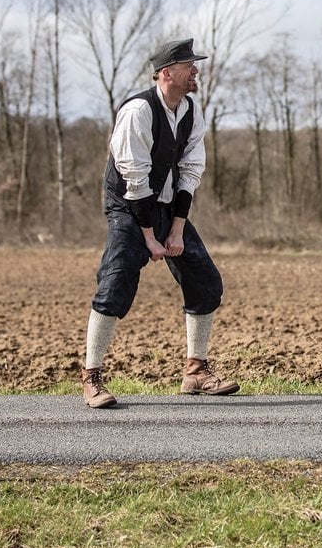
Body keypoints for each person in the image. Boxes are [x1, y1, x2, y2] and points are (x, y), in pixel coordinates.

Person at [81, 38, 239, 408]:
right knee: (116, 281)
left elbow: (190, 170)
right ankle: (91, 376)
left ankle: (196, 371)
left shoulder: (190, 110)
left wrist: (178, 228)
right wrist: (150, 238)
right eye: (189, 66)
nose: (196, 71)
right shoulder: (138, 111)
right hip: (129, 207)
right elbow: (135, 178)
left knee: (205, 280)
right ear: (167, 73)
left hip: (168, 206)